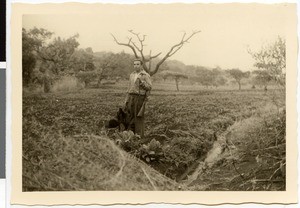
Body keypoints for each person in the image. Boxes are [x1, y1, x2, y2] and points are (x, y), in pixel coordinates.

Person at [124, 59, 152, 139]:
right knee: (130, 116)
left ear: (141, 65)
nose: (135, 66)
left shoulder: (145, 75)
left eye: (137, 64)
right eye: (134, 64)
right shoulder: (132, 75)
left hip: (140, 97)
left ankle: (139, 136)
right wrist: (126, 99)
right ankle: (131, 136)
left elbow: (150, 87)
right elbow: (128, 87)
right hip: (131, 97)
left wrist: (143, 84)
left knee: (138, 117)